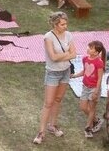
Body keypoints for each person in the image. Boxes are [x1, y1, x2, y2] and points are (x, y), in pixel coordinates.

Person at [33, 12, 77, 144]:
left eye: (66, 24)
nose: (65, 26)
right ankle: (41, 132)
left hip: (65, 71)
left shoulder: (68, 35)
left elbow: (74, 54)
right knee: (48, 103)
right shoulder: (48, 37)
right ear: (55, 24)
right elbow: (53, 57)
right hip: (53, 73)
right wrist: (67, 54)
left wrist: (62, 56)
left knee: (58, 99)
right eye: (62, 24)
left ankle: (52, 125)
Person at [71, 40, 105, 138]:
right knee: (83, 107)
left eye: (90, 48)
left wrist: (96, 91)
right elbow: (85, 71)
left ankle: (88, 128)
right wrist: (74, 76)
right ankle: (96, 120)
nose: (87, 48)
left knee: (92, 108)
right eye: (88, 46)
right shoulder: (85, 58)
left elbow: (100, 78)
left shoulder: (99, 62)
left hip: (94, 88)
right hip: (85, 87)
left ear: (96, 52)